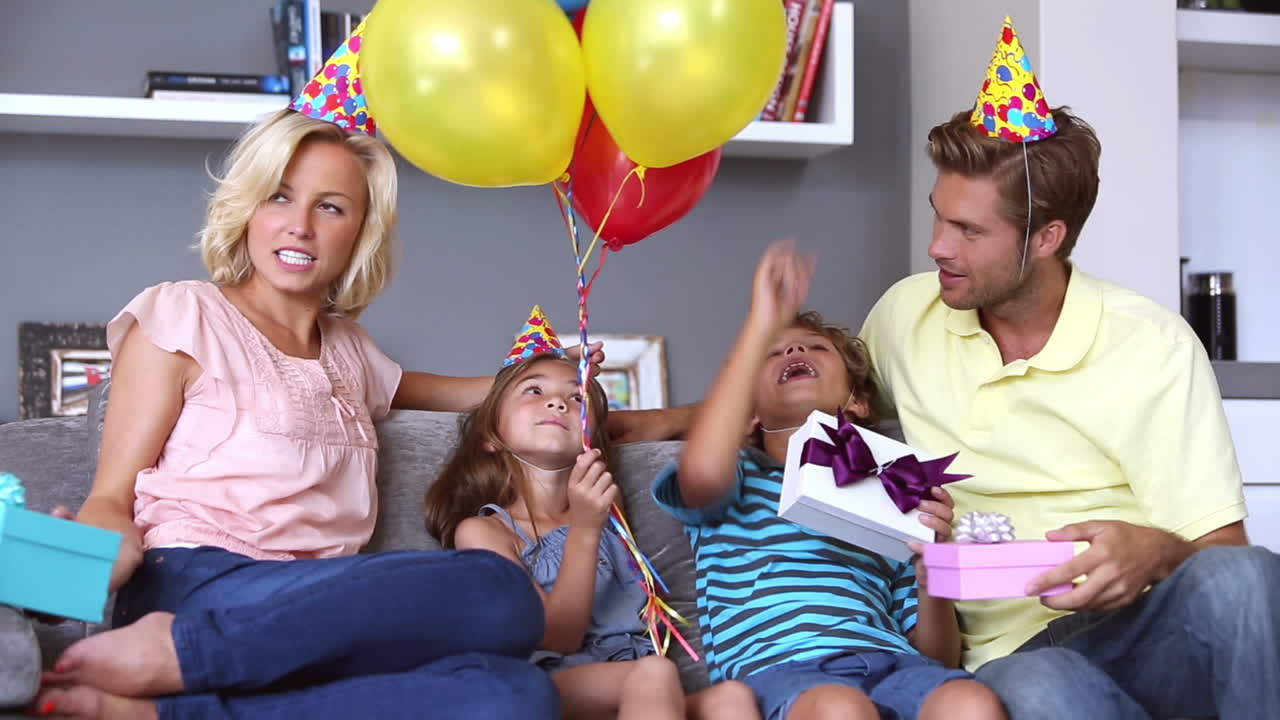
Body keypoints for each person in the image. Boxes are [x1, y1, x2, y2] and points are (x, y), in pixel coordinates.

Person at [856, 17, 1280, 720]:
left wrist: (1153, 553)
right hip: (1013, 656)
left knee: (1248, 576)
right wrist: (655, 419)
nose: (937, 247)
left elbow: (1223, 563)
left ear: (1046, 237)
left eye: (969, 230)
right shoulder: (907, 315)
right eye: (940, 217)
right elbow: (816, 407)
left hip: (1144, 634)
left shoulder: (1151, 345)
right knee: (1045, 684)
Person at [652, 240, 1008, 720]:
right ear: (749, 412)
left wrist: (934, 573)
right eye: (773, 352)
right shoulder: (737, 478)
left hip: (895, 663)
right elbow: (701, 473)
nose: (795, 348)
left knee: (971, 701)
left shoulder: (891, 491)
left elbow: (938, 657)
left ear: (857, 401)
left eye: (815, 347)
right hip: (781, 671)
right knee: (841, 708)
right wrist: (760, 324)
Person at [424, 308, 759, 720]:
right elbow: (557, 636)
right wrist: (585, 529)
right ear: (490, 435)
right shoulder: (484, 531)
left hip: (636, 683)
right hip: (545, 682)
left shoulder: (609, 516)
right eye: (533, 390)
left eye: (576, 398)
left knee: (731, 699)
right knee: (655, 672)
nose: (557, 402)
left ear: (593, 440)